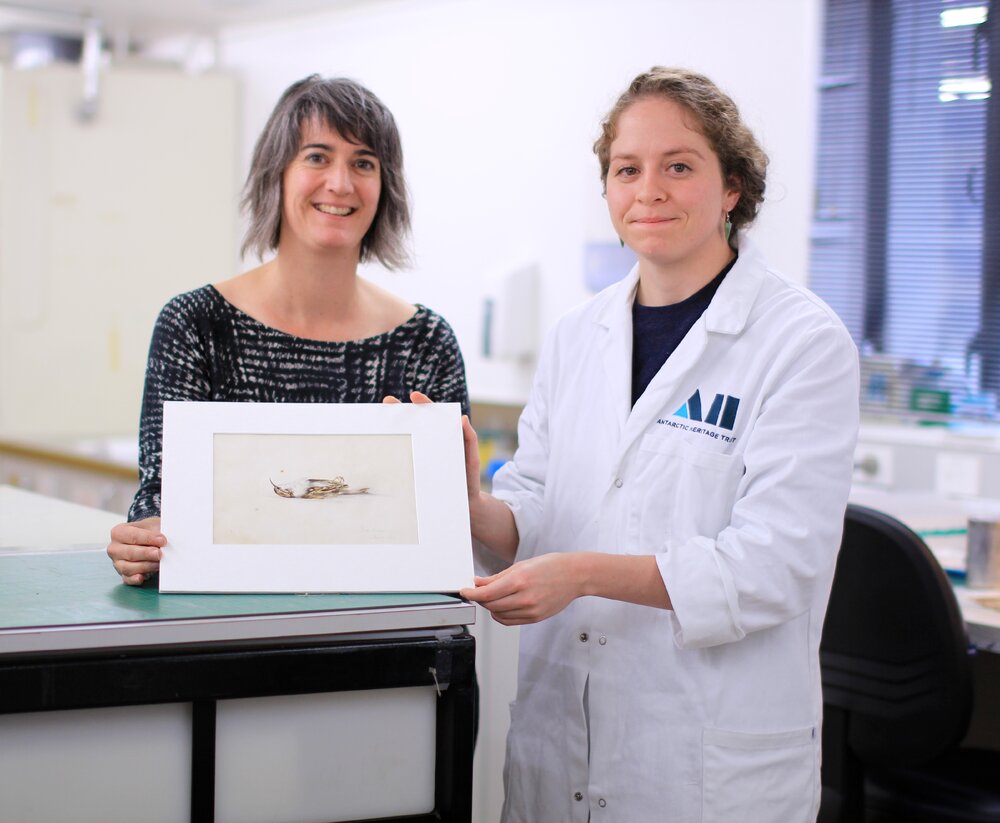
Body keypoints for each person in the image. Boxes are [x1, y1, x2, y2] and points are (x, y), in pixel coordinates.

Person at [459, 67, 860, 822]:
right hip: (561, 741)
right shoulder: (578, 335)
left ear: (733, 188)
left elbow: (775, 564)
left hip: (703, 763)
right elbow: (539, 501)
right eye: (627, 169)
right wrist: (475, 505)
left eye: (679, 166)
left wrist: (581, 574)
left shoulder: (801, 342)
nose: (650, 190)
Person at [108, 75, 469, 585]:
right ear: (275, 174)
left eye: (363, 163)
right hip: (227, 634)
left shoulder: (425, 341)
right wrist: (143, 541)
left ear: (384, 187)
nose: (341, 184)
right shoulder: (195, 324)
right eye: (317, 157)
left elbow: (444, 517)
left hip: (382, 634)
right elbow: (161, 497)